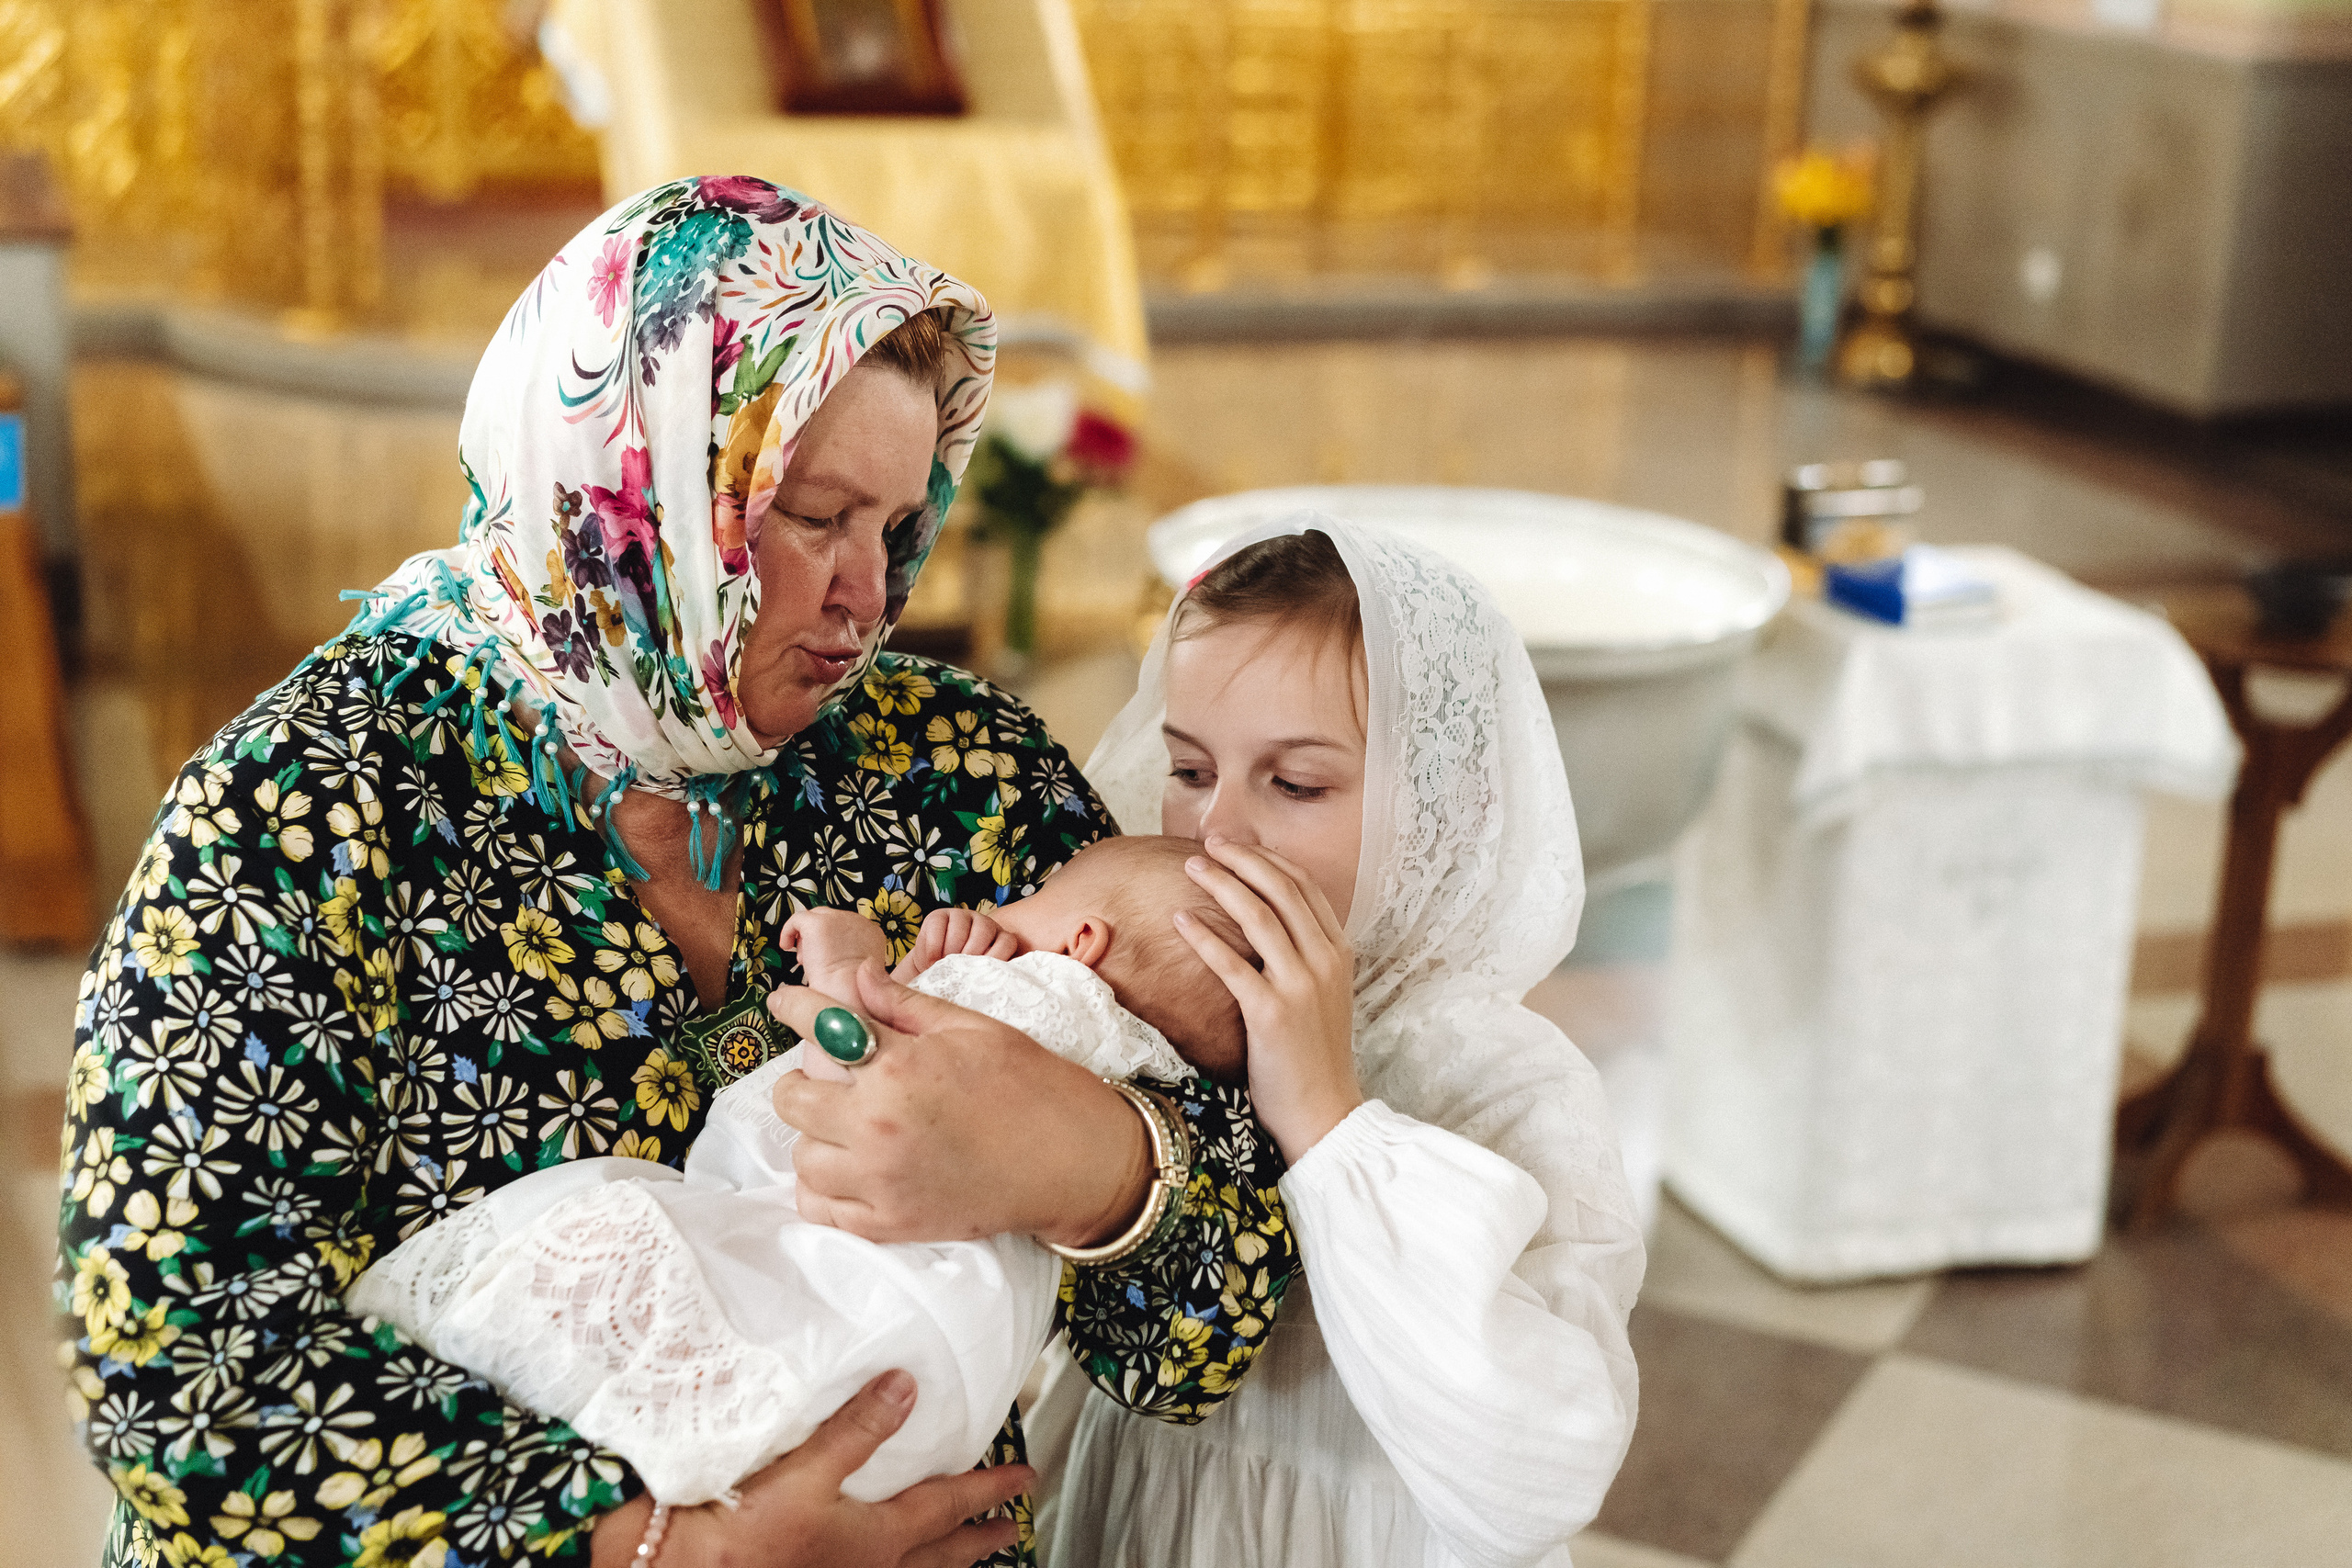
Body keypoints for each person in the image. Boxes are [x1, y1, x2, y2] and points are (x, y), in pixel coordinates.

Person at [55, 176, 1297, 1568]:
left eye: (896, 528)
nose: (868, 598)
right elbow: (182, 1370)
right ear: (635, 494)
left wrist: (1092, 1161)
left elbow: (1217, 1340)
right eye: (815, 515)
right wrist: (669, 1546)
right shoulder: (302, 806)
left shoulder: (957, 768)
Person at [1030, 519, 1647, 1568]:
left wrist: (1327, 1123)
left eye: (1297, 784)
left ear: (1446, 806)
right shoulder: (1142, 1010)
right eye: (1188, 768)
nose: (1213, 833)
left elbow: (1539, 1468)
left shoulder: (1509, 1086)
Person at [346, 836, 1258, 1514]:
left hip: (868, 1276)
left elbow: (879, 1061)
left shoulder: (1039, 989)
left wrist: (851, 967)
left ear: (1083, 940)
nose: (862, 584)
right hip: (935, 1375)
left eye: (1030, 903)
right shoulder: (1122, 1045)